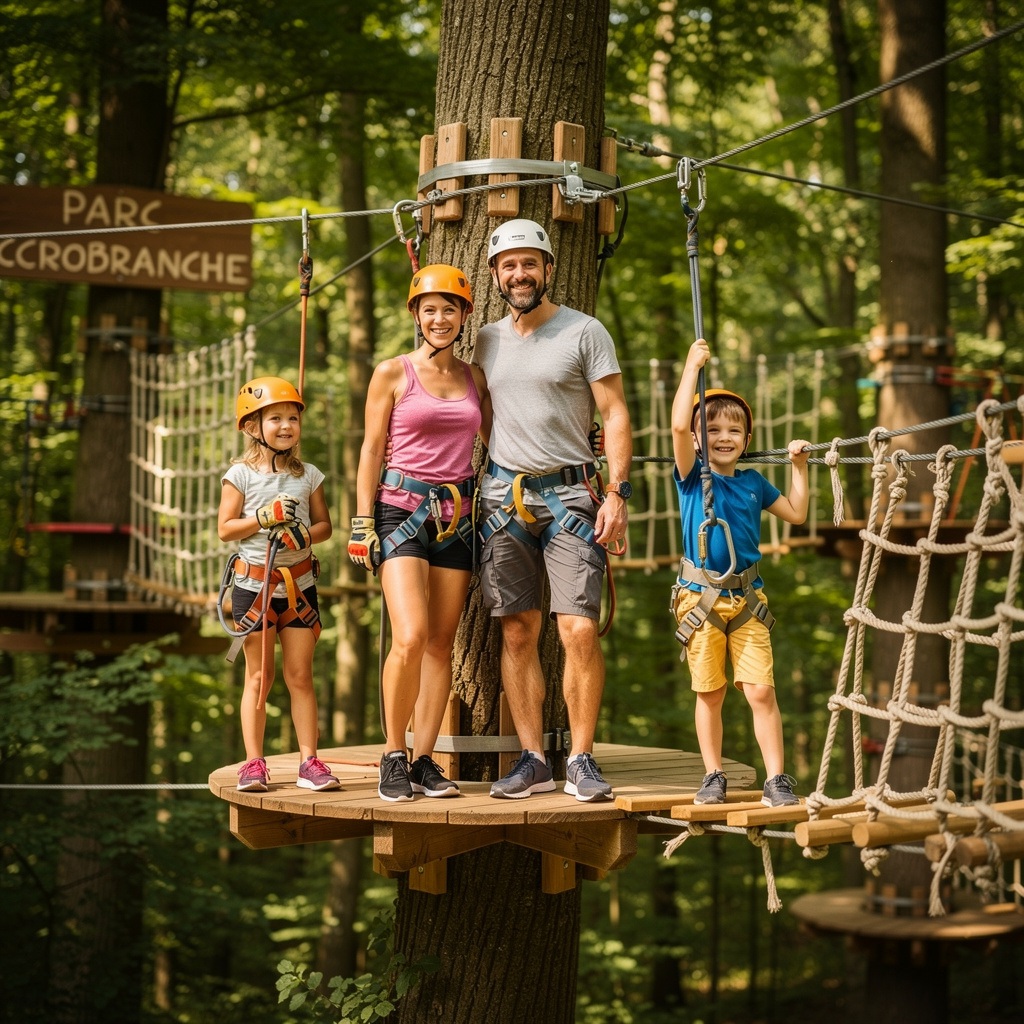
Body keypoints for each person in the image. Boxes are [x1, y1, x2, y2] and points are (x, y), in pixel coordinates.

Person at [473, 219, 633, 802]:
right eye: (508, 265)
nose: (520, 274)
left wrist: (617, 491)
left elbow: (614, 413)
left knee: (578, 628)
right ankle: (534, 758)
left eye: (529, 264)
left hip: (570, 497)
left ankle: (583, 759)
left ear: (547, 268)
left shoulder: (585, 331)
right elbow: (477, 412)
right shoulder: (485, 340)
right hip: (502, 500)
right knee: (517, 632)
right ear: (495, 274)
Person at [348, 265, 491, 802]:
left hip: (456, 517)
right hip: (398, 511)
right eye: (429, 309)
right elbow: (370, 447)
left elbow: (506, 438)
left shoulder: (475, 378)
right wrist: (363, 519)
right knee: (408, 636)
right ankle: (393, 753)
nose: (439, 317)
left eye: (449, 309)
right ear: (416, 315)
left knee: (439, 643)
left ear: (464, 316)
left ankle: (425, 760)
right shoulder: (392, 372)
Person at [671, 338, 810, 808]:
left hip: (748, 598)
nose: (724, 436)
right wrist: (692, 367)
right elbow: (675, 425)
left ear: (747, 440)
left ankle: (776, 779)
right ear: (696, 439)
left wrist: (799, 467)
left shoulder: (753, 482)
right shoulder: (693, 477)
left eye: (735, 430)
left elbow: (795, 513)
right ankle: (713, 774)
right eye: (712, 428)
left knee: (760, 691)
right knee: (709, 693)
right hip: (701, 598)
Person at [218, 376, 340, 793]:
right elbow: (225, 529)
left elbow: (324, 526)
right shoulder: (240, 475)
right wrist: (263, 517)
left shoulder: (309, 476)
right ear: (253, 426)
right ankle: (253, 762)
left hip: (299, 587)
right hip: (254, 588)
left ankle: (310, 761)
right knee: (259, 676)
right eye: (275, 419)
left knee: (300, 675)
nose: (286, 426)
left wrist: (307, 535)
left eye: (292, 418)